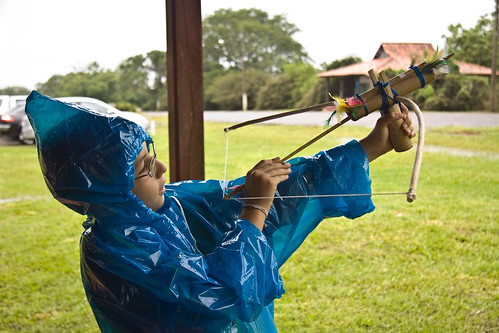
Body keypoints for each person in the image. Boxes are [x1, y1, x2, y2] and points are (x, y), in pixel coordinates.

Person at [25, 90, 414, 332]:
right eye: (143, 169)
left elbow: (256, 192)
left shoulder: (163, 206)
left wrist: (370, 146)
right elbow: (226, 294)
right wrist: (255, 211)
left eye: (153, 156)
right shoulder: (120, 249)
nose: (161, 170)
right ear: (107, 190)